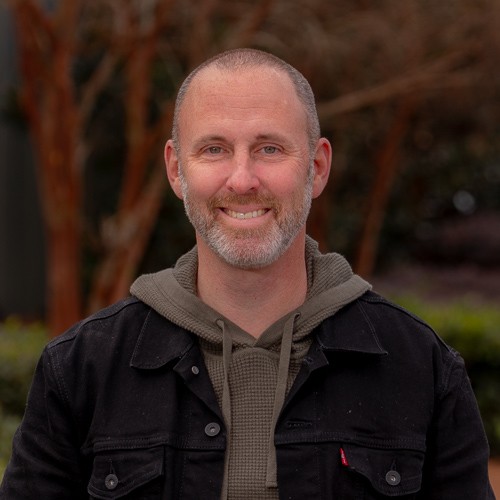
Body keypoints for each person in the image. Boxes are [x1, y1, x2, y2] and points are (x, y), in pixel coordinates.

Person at [0, 48, 495, 500]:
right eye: (214, 149)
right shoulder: (81, 370)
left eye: (270, 149)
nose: (242, 180)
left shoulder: (422, 369)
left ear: (318, 167)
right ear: (176, 170)